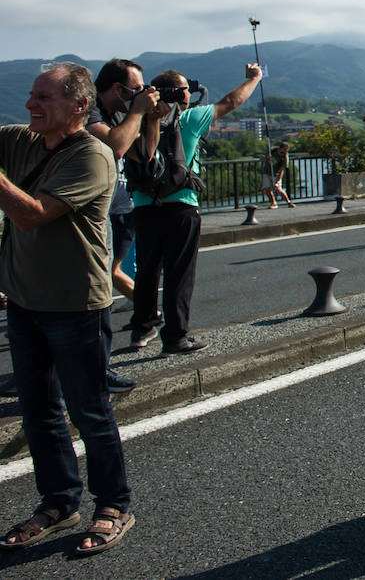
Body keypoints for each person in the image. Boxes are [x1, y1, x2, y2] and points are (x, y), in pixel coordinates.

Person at [0, 63, 135, 556]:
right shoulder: (20, 140)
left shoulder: (93, 156)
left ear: (79, 106)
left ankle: (114, 505)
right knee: (38, 412)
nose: (33, 104)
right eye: (32, 95)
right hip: (23, 302)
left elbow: (33, 216)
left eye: (45, 98)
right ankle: (58, 502)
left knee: (90, 412)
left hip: (75, 305)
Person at [127, 64, 262, 355]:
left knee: (147, 270)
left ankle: (142, 329)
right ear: (178, 94)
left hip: (143, 205)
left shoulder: (136, 120)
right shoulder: (189, 118)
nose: (190, 91)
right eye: (185, 87)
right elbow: (231, 101)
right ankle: (175, 336)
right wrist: (253, 79)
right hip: (181, 204)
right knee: (179, 272)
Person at [88, 58, 161, 395]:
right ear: (117, 88)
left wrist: (152, 120)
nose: (139, 93)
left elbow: (143, 154)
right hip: (95, 215)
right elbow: (114, 146)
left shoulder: (121, 114)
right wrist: (137, 111)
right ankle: (93, 370)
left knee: (105, 281)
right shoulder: (91, 112)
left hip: (119, 211)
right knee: (97, 290)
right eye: (135, 88)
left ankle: (95, 368)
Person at [264, 141, 294, 209]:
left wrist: (278, 180)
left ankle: (288, 202)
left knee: (278, 188)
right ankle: (273, 202)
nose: (283, 153)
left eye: (285, 152)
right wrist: (267, 157)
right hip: (267, 171)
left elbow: (282, 169)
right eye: (282, 152)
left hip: (276, 173)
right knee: (267, 188)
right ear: (279, 149)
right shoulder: (272, 151)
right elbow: (263, 157)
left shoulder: (285, 156)